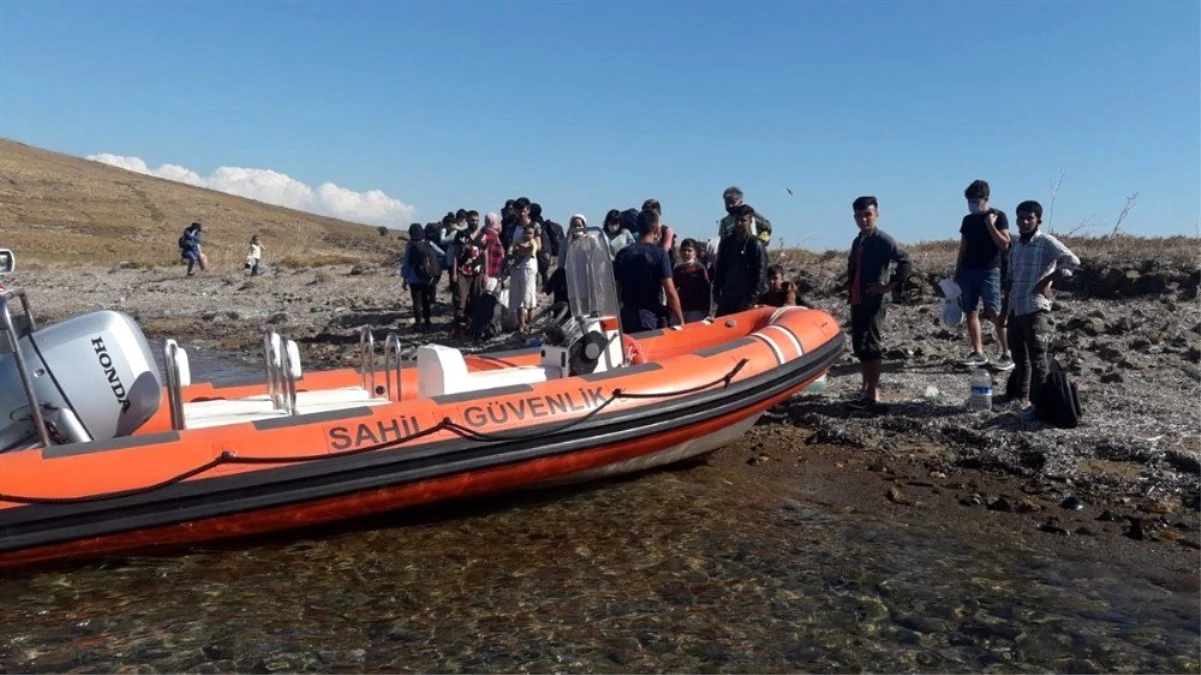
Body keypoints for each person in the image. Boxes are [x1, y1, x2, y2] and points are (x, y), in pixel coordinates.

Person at [1006, 200, 1080, 415]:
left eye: (1029, 218)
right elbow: (1010, 279)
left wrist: (1046, 281)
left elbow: (1072, 261)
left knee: (1039, 358)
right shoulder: (1017, 246)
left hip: (1036, 308)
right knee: (1020, 358)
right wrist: (1004, 310)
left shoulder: (1046, 242)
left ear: (1038, 219)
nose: (1025, 221)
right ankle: (1022, 399)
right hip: (1016, 308)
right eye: (1021, 218)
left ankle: (1042, 405)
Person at [846, 196, 912, 410]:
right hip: (858, 299)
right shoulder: (858, 240)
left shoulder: (883, 240)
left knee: (872, 345)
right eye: (859, 215)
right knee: (860, 346)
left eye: (868, 215)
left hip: (875, 301)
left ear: (876, 215)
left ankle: (873, 393)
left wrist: (889, 286)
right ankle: (865, 389)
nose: (864, 220)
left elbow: (905, 261)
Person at [956, 179, 1014, 371]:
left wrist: (990, 225)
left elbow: (1004, 244)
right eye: (969, 201)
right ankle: (978, 352)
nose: (972, 204)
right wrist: (958, 270)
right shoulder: (968, 220)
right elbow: (963, 246)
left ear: (985, 199)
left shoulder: (999, 216)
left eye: (975, 200)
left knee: (995, 311)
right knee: (971, 311)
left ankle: (1007, 353)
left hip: (990, 271)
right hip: (967, 271)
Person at [613, 208, 684, 332]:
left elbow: (616, 290)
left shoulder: (622, 254)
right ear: (657, 229)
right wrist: (681, 320)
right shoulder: (660, 254)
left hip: (626, 317)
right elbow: (670, 292)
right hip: (649, 317)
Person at [712, 205, 768, 316]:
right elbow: (720, 268)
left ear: (750, 221)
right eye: (737, 220)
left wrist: (752, 300)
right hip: (728, 295)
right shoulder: (727, 242)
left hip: (745, 298)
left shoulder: (755, 244)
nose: (739, 223)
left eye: (743, 220)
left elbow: (760, 274)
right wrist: (716, 290)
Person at [400, 223, 444, 331]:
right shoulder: (429, 243)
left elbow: (406, 263)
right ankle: (428, 322)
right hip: (427, 277)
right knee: (425, 301)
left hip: (413, 278)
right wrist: (437, 267)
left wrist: (404, 279)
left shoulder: (410, 245)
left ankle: (418, 324)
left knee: (416, 302)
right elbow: (442, 254)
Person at [449, 214, 488, 334]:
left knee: (476, 299)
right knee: (460, 299)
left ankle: (471, 327)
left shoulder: (483, 236)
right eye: (472, 220)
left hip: (477, 272)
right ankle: (457, 328)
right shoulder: (461, 235)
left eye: (477, 220)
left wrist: (486, 273)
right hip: (462, 271)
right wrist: (454, 272)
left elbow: (485, 254)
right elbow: (455, 254)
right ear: (467, 221)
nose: (474, 223)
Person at [508, 224, 540, 333]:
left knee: (529, 299)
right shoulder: (518, 240)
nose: (528, 235)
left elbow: (530, 251)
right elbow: (512, 250)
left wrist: (520, 250)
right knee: (518, 300)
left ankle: (531, 326)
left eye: (530, 233)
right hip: (517, 269)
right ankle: (521, 326)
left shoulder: (533, 242)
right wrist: (515, 250)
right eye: (526, 232)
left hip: (528, 268)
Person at [672, 238, 712, 323]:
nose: (686, 253)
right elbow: (673, 289)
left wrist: (706, 310)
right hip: (681, 309)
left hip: (696, 309)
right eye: (684, 250)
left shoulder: (699, 269)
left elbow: (706, 290)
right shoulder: (677, 270)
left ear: (695, 253)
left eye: (689, 250)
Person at [480, 212, 506, 283]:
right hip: (492, 273)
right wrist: (486, 274)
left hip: (492, 272)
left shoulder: (486, 233)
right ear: (493, 222)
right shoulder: (491, 235)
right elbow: (486, 254)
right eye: (497, 221)